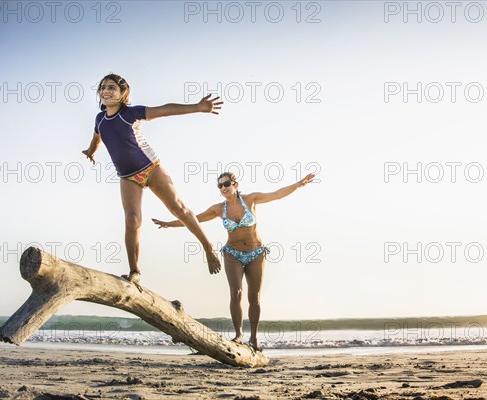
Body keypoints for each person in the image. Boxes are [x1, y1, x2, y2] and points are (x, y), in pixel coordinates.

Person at [82, 73, 223, 284]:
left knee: (178, 209)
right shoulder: (99, 119)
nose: (106, 91)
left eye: (112, 87)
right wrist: (90, 151)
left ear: (122, 94)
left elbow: (165, 110)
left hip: (150, 168)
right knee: (132, 221)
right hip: (127, 177)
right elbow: (97, 138)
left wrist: (197, 107)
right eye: (103, 88)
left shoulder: (131, 113)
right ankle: (134, 271)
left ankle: (208, 247)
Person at [152, 172, 315, 351]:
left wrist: (298, 184)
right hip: (232, 254)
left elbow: (276, 194)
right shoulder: (218, 209)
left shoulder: (251, 199)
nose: (223, 188)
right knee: (235, 292)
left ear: (235, 184)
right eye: (219, 186)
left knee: (254, 297)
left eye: (226, 184)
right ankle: (238, 335)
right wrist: (169, 223)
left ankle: (253, 338)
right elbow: (193, 219)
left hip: (256, 253)